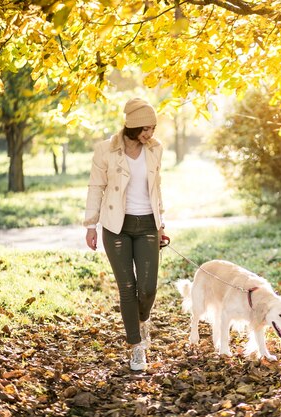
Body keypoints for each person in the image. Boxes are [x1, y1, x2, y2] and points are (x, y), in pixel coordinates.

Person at [83, 97, 165, 371]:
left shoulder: (155, 149)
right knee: (127, 288)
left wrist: (161, 223)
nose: (149, 134)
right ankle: (136, 347)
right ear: (131, 127)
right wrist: (91, 225)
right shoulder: (106, 150)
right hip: (116, 226)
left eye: (152, 128)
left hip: (147, 225)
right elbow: (96, 186)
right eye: (145, 129)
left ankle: (141, 320)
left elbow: (157, 189)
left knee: (148, 287)